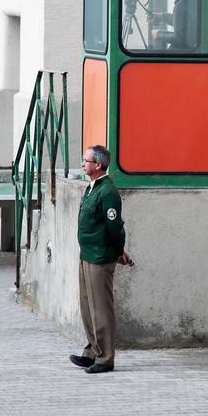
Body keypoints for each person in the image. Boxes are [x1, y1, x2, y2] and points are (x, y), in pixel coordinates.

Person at [70, 145, 131, 374]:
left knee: (101, 309)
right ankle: (91, 352)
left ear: (98, 164)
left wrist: (119, 251)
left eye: (86, 160)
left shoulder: (107, 192)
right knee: (87, 306)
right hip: (87, 254)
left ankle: (105, 358)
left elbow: (115, 227)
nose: (82, 164)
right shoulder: (91, 188)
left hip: (100, 257)